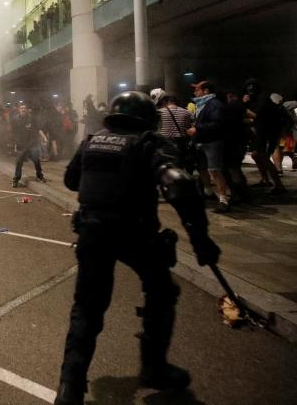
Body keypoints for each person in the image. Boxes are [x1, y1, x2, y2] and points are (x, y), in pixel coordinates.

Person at [54, 91, 221, 405]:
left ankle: (70, 387)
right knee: (162, 292)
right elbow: (180, 184)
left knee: (87, 309)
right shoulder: (146, 142)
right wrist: (201, 239)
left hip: (92, 232)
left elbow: (71, 182)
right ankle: (154, 367)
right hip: (134, 232)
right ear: (147, 118)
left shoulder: (91, 141)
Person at [188, 81, 231, 212]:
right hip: (202, 141)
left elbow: (217, 124)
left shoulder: (214, 104)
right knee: (202, 168)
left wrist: (197, 128)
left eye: (197, 90)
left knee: (214, 170)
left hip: (212, 142)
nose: (195, 93)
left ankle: (223, 199)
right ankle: (208, 193)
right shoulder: (202, 104)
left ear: (206, 91)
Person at [11, 104, 47, 187]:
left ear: (27, 109)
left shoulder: (32, 118)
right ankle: (16, 179)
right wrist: (15, 144)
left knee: (36, 160)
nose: (23, 109)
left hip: (32, 144)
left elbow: (38, 129)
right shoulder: (15, 119)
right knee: (18, 162)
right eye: (21, 108)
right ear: (19, 109)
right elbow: (14, 133)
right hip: (21, 145)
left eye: (24, 108)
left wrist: (44, 137)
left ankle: (40, 176)